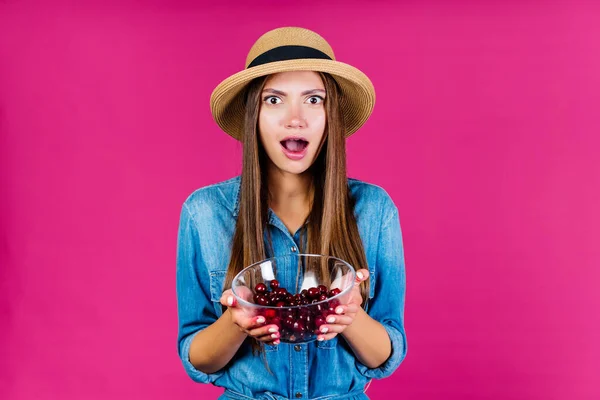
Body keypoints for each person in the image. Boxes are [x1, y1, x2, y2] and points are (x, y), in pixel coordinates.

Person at [176, 27, 407, 400]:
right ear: (254, 114)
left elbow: (387, 353)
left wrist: (350, 315)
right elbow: (197, 356)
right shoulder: (203, 212)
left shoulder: (375, 210)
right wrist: (237, 323)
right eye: (274, 100)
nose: (295, 118)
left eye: (314, 100)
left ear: (331, 114)